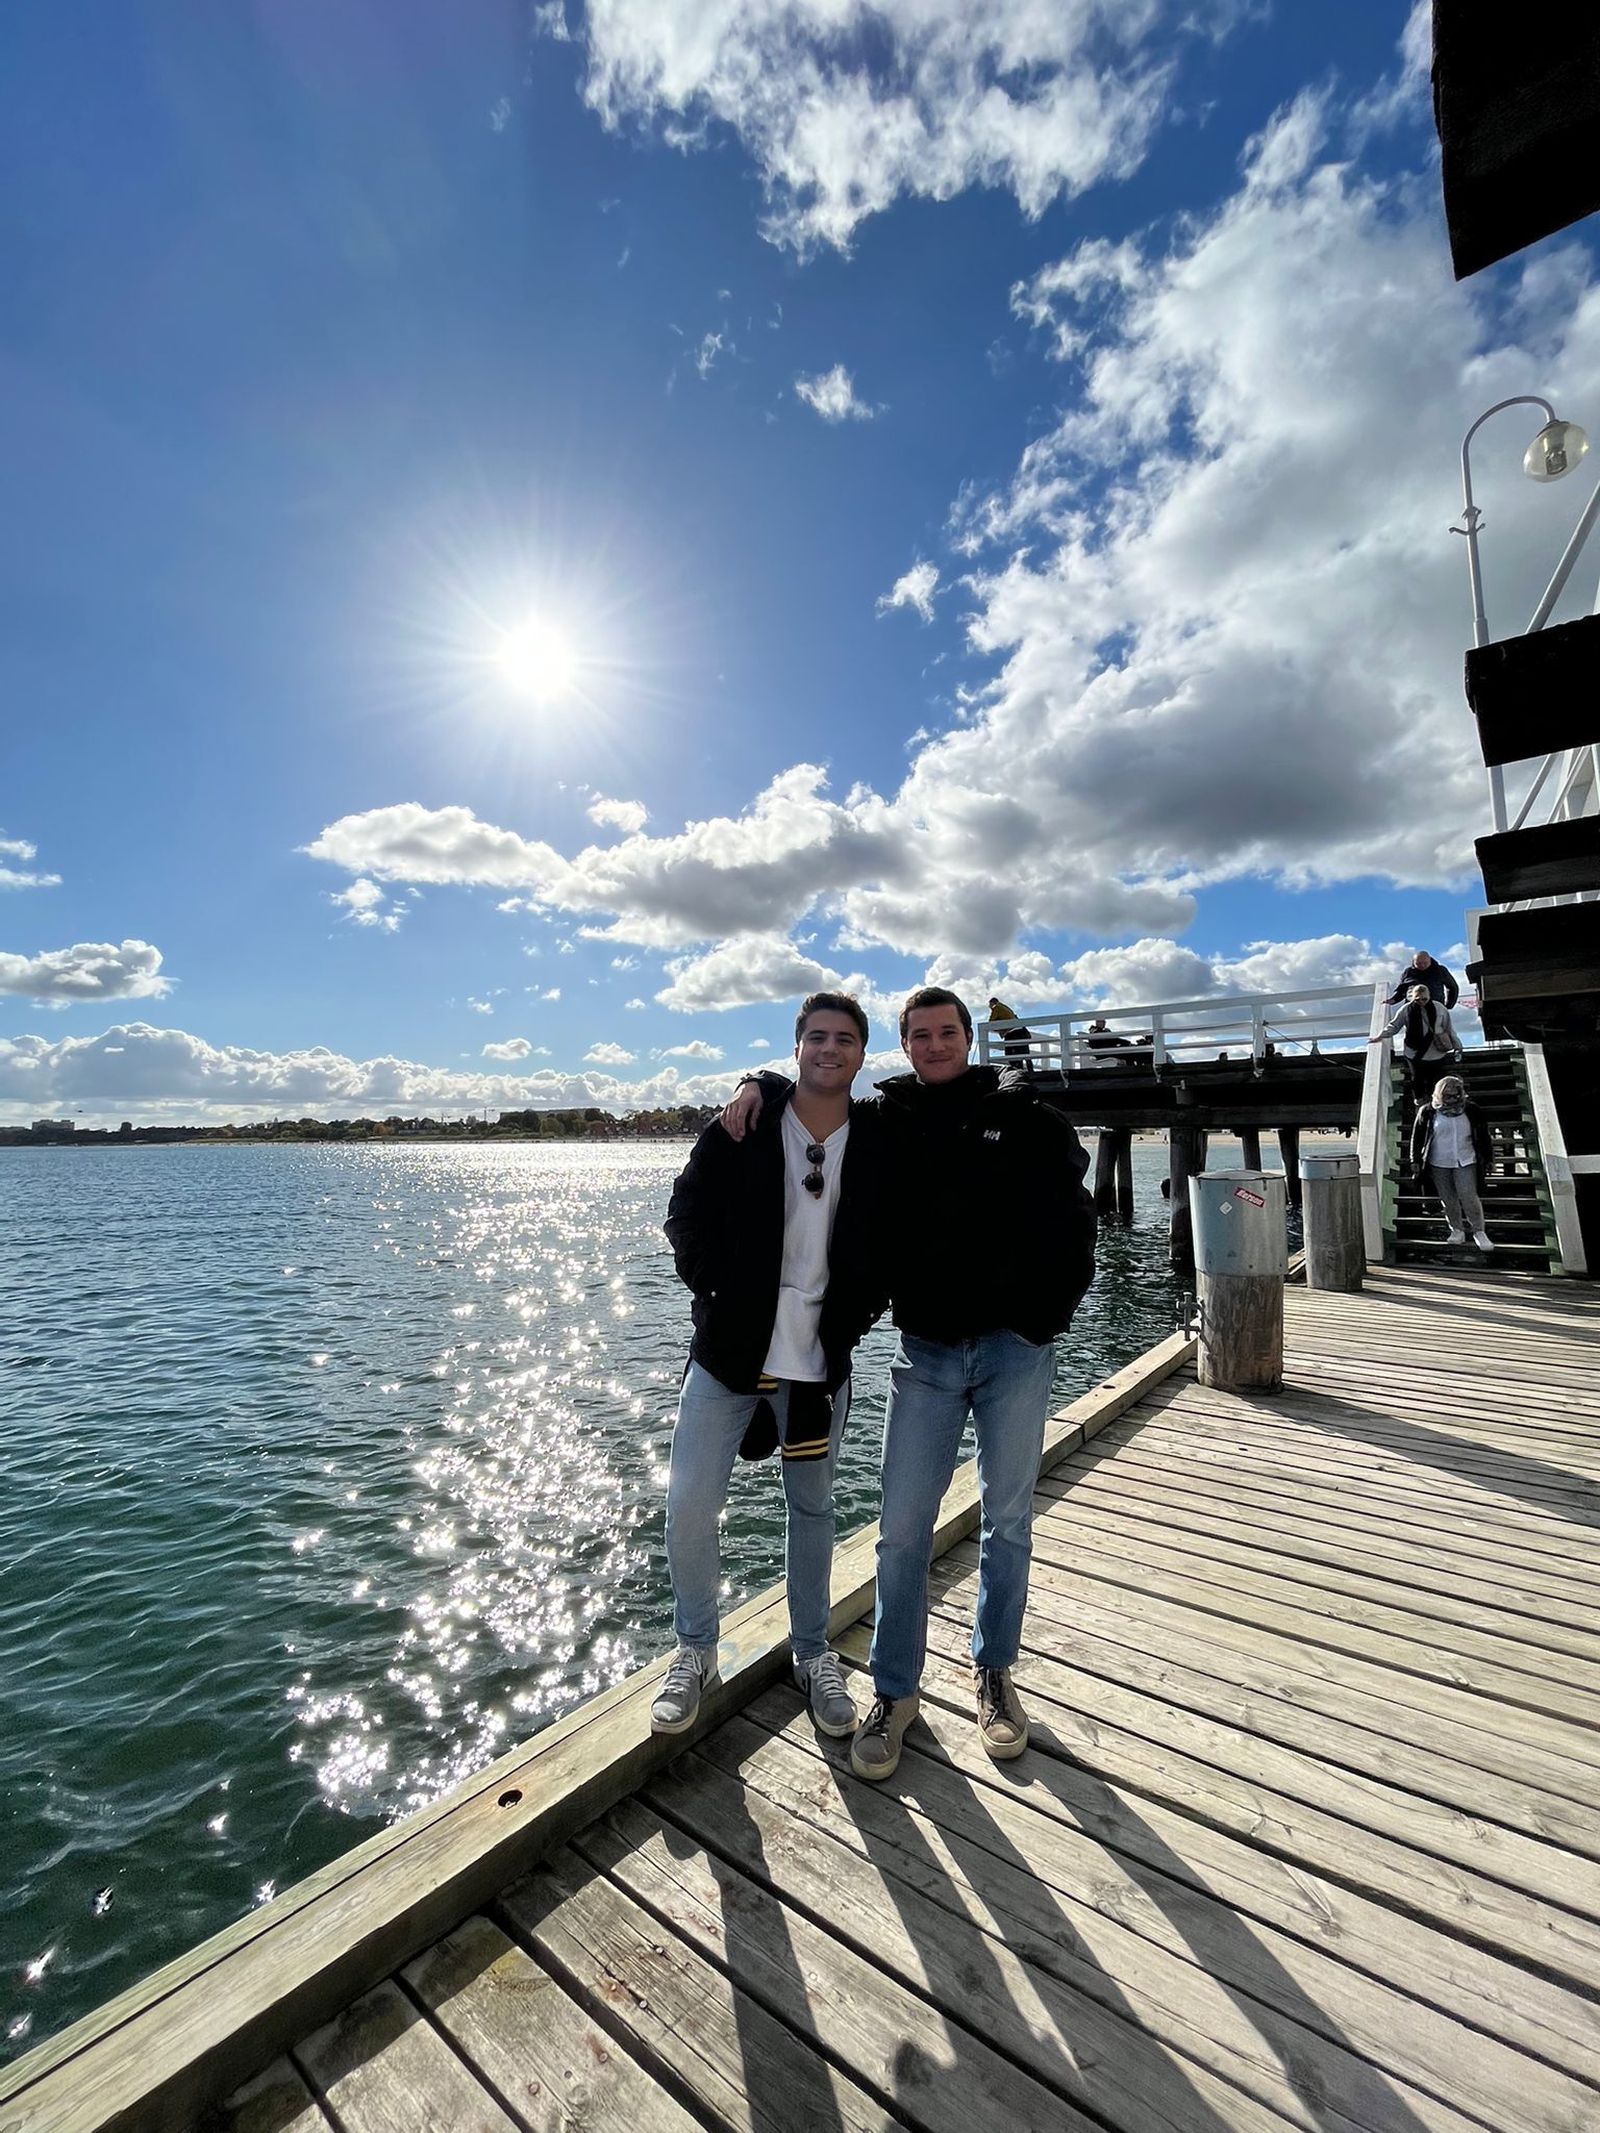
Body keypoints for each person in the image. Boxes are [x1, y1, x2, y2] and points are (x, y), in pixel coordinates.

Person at [724, 986, 1096, 1781]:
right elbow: (812, 1090)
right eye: (919, 1035)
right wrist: (757, 1081)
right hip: (924, 1351)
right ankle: (895, 1692)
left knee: (1009, 1521)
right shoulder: (888, 1118)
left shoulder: (1021, 1112)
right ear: (902, 1044)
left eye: (947, 1032)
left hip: (1012, 1351)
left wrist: (1046, 1316)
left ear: (968, 1037)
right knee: (900, 1530)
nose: (934, 1045)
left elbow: (1075, 1214)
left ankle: (994, 1674)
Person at [654, 993, 887, 1740]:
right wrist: (717, 1294)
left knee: (812, 1506)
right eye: (816, 1036)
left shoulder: (877, 1138)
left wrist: (856, 1317)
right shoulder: (745, 1124)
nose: (829, 1047)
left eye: (844, 1038)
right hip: (728, 1355)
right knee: (690, 1503)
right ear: (796, 1048)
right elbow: (683, 1212)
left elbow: (893, 1244)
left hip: (818, 1367)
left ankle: (813, 1651)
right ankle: (696, 1649)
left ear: (860, 1053)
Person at [1410, 1073, 1494, 1252]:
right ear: (1439, 1094)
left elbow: (1484, 1136)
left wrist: (1489, 1158)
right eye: (1448, 1095)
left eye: (1457, 1094)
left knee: (1469, 1196)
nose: (1453, 1098)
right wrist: (1415, 1160)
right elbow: (1417, 1138)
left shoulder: (1472, 1110)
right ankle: (1457, 1230)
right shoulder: (1427, 1111)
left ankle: (1479, 1231)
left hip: (1466, 1159)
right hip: (1438, 1161)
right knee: (1448, 1199)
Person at [1370, 983, 1462, 1108]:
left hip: (1436, 1050)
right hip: (1414, 1051)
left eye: (1424, 999)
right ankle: (1420, 1103)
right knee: (1417, 1079)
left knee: (1435, 1080)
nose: (1421, 1002)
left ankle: (1435, 1103)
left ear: (1429, 996)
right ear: (1412, 998)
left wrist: (1457, 1045)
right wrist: (1380, 1036)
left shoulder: (1439, 1008)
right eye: (1417, 999)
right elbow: (1394, 1025)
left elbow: (1448, 1028)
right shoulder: (1406, 1009)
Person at [1387, 950, 1460, 1009]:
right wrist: (1393, 1000)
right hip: (1413, 1008)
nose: (1422, 965)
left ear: (1430, 961)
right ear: (1413, 962)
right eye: (1418, 963)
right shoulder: (1408, 972)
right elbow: (1402, 990)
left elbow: (1453, 987)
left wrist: (1449, 1005)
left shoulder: (1440, 970)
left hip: (1435, 1007)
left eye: (1425, 963)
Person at [986, 995, 1034, 1074]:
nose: (990, 1007)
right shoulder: (1006, 1008)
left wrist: (997, 1026)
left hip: (1012, 1033)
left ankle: (1017, 1073)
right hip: (1021, 1031)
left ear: (992, 1003)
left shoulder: (996, 1007)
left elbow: (991, 1022)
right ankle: (1030, 1072)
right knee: (1024, 1053)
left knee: (1010, 1054)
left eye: (990, 1005)